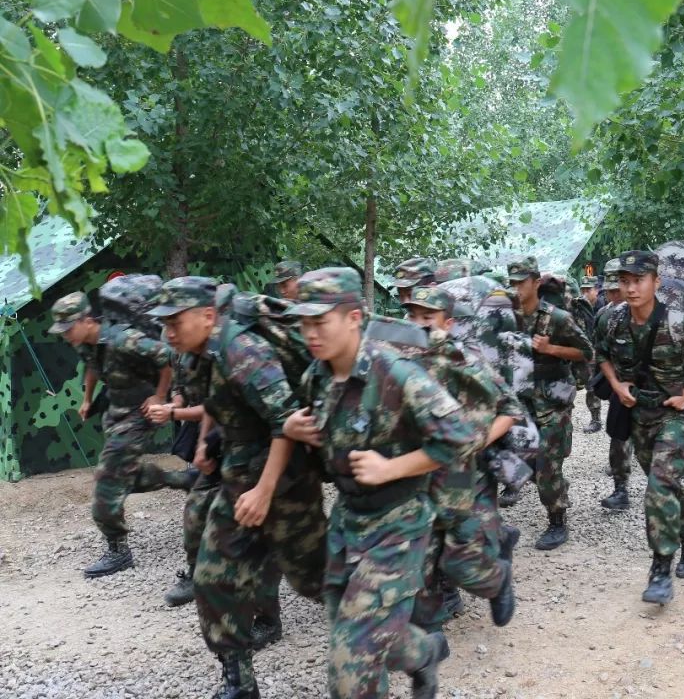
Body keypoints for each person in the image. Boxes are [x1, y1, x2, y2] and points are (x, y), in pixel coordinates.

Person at [283, 268, 480, 699]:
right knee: (363, 637)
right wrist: (296, 431)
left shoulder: (396, 373)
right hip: (347, 523)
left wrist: (392, 468)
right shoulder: (315, 377)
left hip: (399, 525)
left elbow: (462, 438)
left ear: (354, 318)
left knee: (350, 665)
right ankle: (426, 650)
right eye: (304, 324)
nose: (310, 334)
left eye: (320, 322)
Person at [150, 276, 327, 699]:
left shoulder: (242, 351)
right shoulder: (196, 354)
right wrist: (212, 442)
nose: (168, 331)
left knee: (317, 580)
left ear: (208, 316)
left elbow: (287, 423)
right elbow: (220, 400)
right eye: (164, 323)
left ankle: (408, 623)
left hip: (286, 481)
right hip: (239, 478)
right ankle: (239, 680)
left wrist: (265, 491)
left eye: (176, 321)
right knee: (212, 578)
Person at [596, 251, 684, 605]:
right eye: (624, 281)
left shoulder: (681, 323)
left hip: (676, 417)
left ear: (656, 282)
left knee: (657, 489)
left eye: (638, 280)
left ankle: (659, 570)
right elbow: (600, 354)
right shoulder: (611, 320)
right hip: (639, 415)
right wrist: (616, 384)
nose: (631, 288)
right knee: (668, 488)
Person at [399, 286, 520, 631]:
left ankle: (496, 578)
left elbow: (510, 409)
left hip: (459, 478)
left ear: (448, 323)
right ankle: (430, 639)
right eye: (413, 317)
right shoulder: (398, 361)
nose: (418, 325)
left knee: (458, 559)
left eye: (428, 318)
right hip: (415, 473)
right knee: (420, 555)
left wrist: (479, 439)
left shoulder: (466, 361)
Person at [48, 290, 190, 578]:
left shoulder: (125, 340)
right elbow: (91, 365)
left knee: (107, 482)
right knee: (121, 473)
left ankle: (118, 550)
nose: (65, 335)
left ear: (87, 320)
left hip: (139, 413)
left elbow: (167, 357)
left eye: (68, 327)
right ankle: (181, 478)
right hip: (115, 411)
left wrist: (160, 396)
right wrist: (87, 399)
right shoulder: (85, 342)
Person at [505, 256, 594, 550]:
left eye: (522, 282)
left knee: (546, 465)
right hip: (522, 400)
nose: (517, 288)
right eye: (513, 282)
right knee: (523, 460)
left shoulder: (557, 318)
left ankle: (557, 520)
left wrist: (551, 348)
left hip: (553, 402)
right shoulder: (509, 316)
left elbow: (586, 352)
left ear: (536, 282)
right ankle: (555, 485)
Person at [595, 259, 634, 511]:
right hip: (621, 388)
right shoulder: (605, 316)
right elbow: (600, 352)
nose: (613, 295)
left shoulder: (661, 313)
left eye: (616, 289)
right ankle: (621, 489)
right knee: (619, 438)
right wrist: (612, 382)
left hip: (655, 389)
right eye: (609, 290)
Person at [580, 275, 604, 434]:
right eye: (583, 290)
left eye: (588, 290)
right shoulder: (581, 307)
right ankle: (596, 419)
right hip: (591, 353)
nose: (585, 293)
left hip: (607, 352)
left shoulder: (605, 306)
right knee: (591, 386)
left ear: (596, 290)